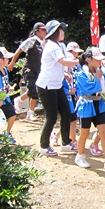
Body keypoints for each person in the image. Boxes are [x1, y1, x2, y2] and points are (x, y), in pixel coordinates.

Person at [36, 20, 79, 156]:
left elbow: (62, 64)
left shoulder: (61, 45)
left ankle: (66, 143)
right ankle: (44, 146)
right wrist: (81, 61)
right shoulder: (51, 46)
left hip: (57, 84)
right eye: (61, 30)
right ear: (54, 32)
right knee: (51, 117)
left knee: (66, 113)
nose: (63, 33)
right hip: (46, 86)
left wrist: (65, 73)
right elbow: (63, 61)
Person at [73, 47, 105, 171]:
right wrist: (98, 78)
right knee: (84, 133)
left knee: (104, 133)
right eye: (97, 59)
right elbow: (89, 89)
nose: (100, 62)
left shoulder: (101, 72)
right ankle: (80, 156)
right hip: (87, 105)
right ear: (88, 59)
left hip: (99, 104)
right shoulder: (81, 74)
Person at [8, 22, 47, 121]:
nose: (45, 31)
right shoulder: (31, 41)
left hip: (40, 70)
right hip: (29, 69)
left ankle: (24, 105)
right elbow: (19, 50)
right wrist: (12, 62)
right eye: (43, 29)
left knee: (36, 91)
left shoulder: (46, 42)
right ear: (37, 31)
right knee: (34, 90)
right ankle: (27, 109)